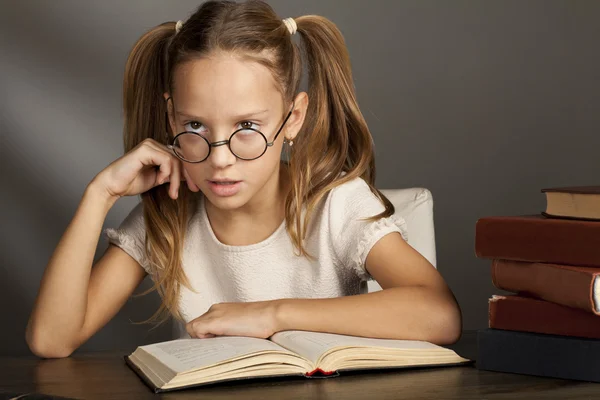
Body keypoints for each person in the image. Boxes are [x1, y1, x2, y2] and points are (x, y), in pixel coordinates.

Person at [25, 0, 461, 358]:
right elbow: (52, 339)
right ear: (170, 115)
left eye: (247, 128)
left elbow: (439, 313)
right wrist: (100, 193)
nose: (220, 161)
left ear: (294, 117)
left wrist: (272, 314)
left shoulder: (337, 205)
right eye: (195, 126)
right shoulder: (168, 217)